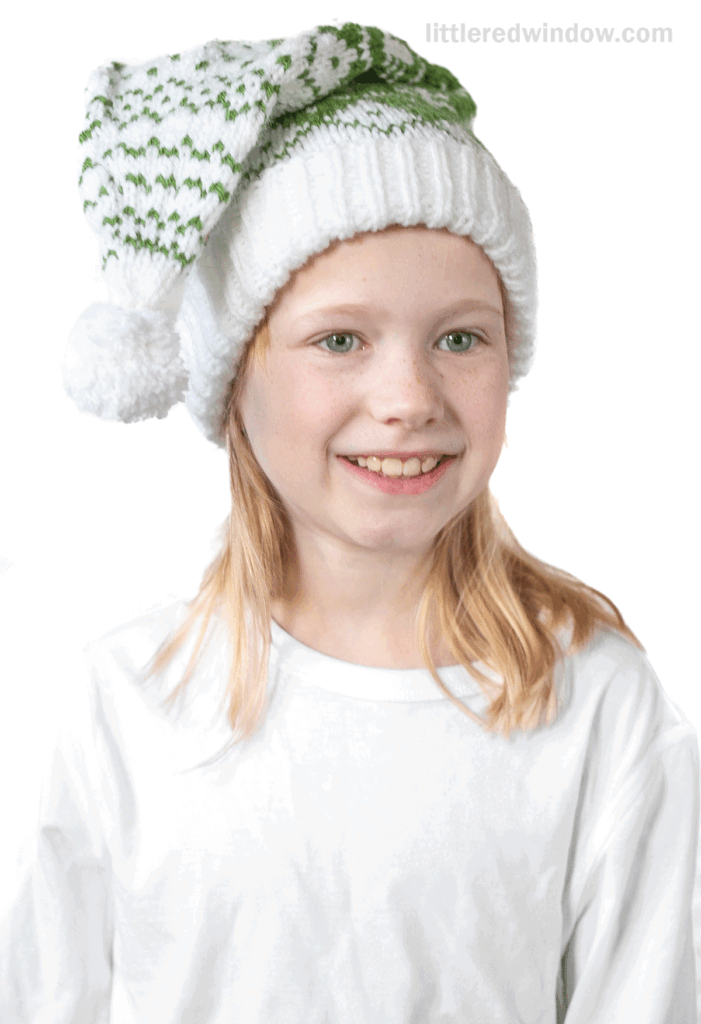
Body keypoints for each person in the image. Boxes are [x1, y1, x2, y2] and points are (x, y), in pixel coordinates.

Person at [1, 22, 698, 1024]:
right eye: (339, 339)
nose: (407, 395)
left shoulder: (595, 709)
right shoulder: (125, 705)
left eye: (460, 336)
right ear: (233, 380)